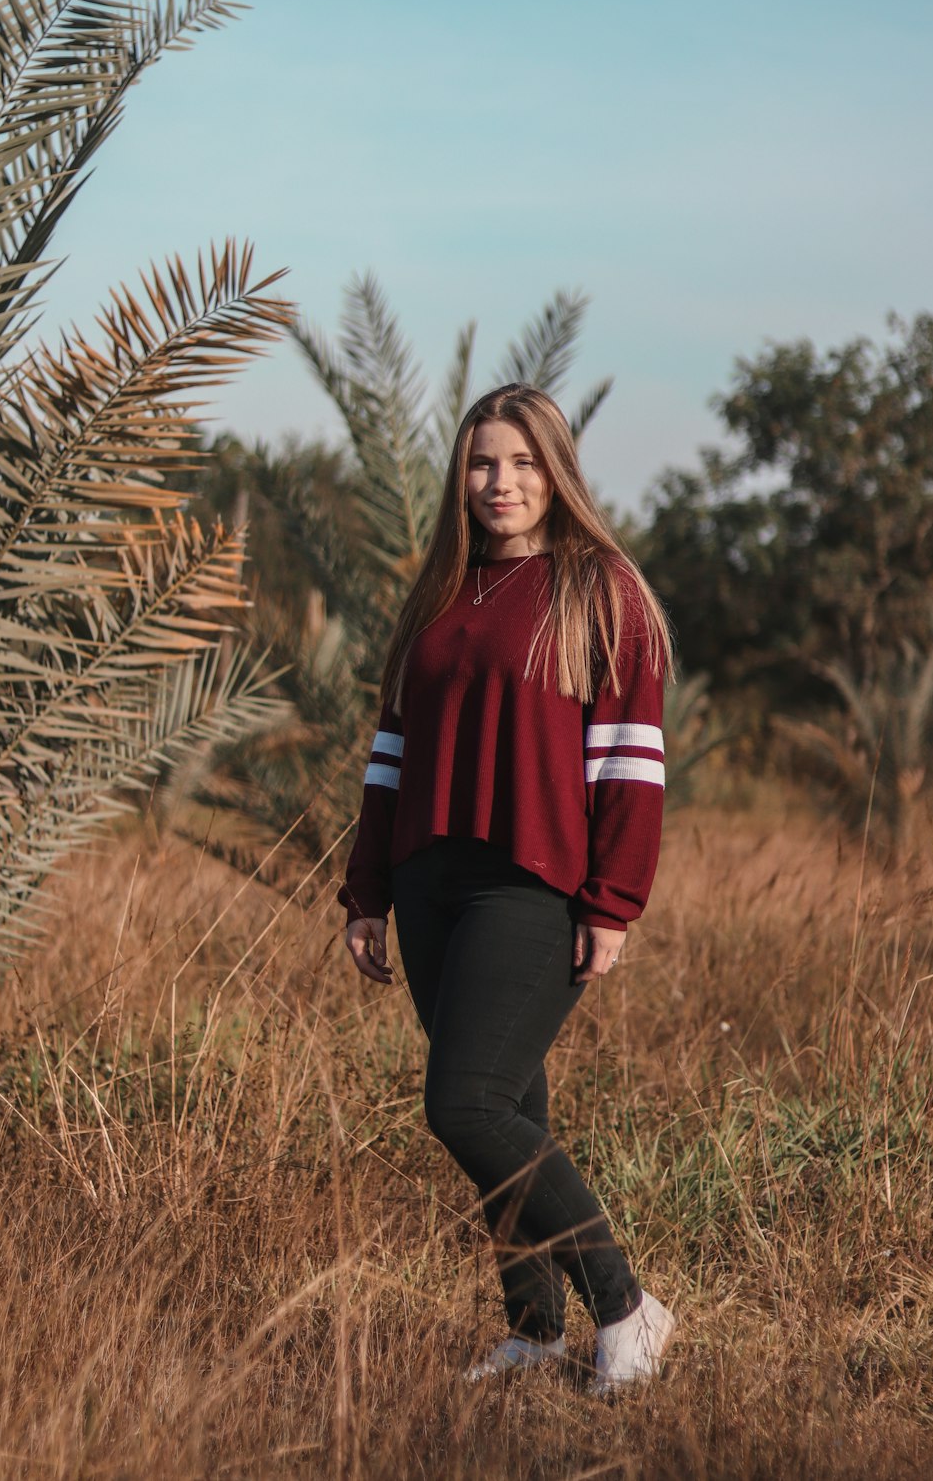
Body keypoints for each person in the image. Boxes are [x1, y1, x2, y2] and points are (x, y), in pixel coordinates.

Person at [339, 383, 675, 1393]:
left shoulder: (597, 589)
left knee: (467, 1103)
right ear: (461, 474)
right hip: (428, 878)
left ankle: (626, 1308)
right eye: (484, 462)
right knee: (510, 1104)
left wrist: (613, 902)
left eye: (524, 463)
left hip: (532, 883)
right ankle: (533, 1329)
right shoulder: (439, 594)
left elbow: (631, 762)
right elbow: (389, 756)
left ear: (556, 472)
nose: (501, 482)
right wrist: (367, 893)